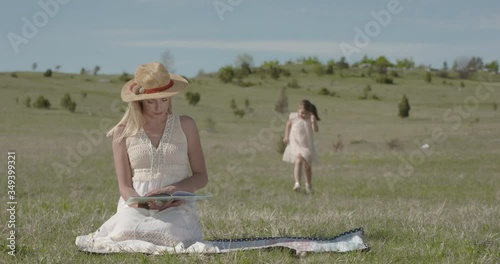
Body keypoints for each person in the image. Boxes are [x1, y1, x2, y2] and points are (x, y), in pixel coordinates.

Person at [75, 62, 209, 253]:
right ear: (139, 100)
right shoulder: (122, 132)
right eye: (151, 101)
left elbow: (201, 176)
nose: (159, 106)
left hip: (177, 204)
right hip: (136, 204)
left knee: (171, 236)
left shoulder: (186, 125)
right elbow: (124, 186)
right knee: (125, 231)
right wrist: (144, 203)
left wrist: (173, 191)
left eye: (164, 100)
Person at [282, 99, 320, 194]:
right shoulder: (293, 117)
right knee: (298, 160)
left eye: (306, 113)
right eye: (302, 113)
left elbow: (316, 130)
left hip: (307, 146)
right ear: (298, 110)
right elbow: (288, 125)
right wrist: (286, 136)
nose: (303, 115)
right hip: (296, 143)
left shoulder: (310, 118)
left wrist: (313, 121)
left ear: (310, 112)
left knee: (307, 167)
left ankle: (308, 184)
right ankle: (297, 183)